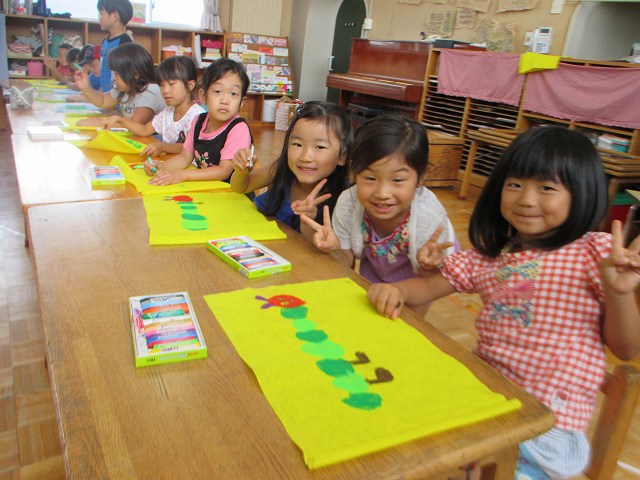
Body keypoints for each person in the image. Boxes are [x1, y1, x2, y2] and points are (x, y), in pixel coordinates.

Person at [367, 126, 640, 480]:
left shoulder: (593, 253)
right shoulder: (490, 258)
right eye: (515, 185)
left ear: (582, 192)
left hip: (547, 427)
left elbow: (627, 348)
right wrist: (399, 291)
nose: (526, 199)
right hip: (484, 400)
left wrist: (619, 292)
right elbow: (429, 286)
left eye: (546, 188)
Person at [300, 113, 455, 290]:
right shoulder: (349, 203)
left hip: (415, 288)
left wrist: (428, 267)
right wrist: (334, 250)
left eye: (397, 180)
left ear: (421, 177)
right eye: (370, 178)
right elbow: (346, 261)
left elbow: (433, 286)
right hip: (371, 281)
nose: (382, 193)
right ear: (354, 170)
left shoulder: (430, 219)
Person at [230, 101, 352, 238]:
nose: (306, 157)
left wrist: (308, 221)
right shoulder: (281, 168)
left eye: (320, 147)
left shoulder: (345, 202)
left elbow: (321, 249)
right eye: (297, 144)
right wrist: (241, 172)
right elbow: (241, 187)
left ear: (342, 156)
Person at [143, 58, 251, 185]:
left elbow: (224, 171)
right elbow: (185, 157)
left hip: (229, 192)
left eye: (233, 94)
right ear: (203, 97)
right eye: (218, 92)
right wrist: (163, 166)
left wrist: (183, 175)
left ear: (241, 102)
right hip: (204, 188)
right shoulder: (198, 121)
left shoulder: (239, 129)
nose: (225, 100)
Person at [103, 55, 204, 156]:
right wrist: (119, 119)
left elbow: (189, 147)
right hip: (169, 161)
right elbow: (144, 130)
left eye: (171, 84)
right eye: (161, 85)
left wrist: (162, 146)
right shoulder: (167, 113)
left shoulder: (198, 116)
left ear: (190, 85)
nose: (165, 90)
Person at [73, 42, 165, 126]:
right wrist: (86, 88)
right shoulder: (125, 90)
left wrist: (100, 122)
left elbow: (135, 123)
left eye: (116, 73)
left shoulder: (150, 91)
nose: (113, 78)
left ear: (135, 74)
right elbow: (102, 100)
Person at [96, 0, 133, 92]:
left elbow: (126, 76)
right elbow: (103, 70)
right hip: (105, 95)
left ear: (115, 16)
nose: (99, 18)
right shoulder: (104, 42)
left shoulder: (125, 42)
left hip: (117, 96)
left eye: (101, 14)